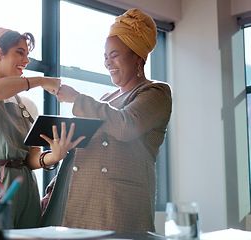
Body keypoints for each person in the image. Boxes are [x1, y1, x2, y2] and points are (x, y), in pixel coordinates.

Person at [47, 9, 173, 233]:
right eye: (105, 57)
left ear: (137, 56)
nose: (107, 63)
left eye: (114, 55)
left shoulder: (156, 92)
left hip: (116, 205)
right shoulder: (106, 99)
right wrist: (53, 191)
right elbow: (83, 146)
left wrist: (77, 98)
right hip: (80, 198)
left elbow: (125, 126)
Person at [0, 27, 84, 229]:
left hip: (26, 187)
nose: (26, 61)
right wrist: (41, 80)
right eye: (20, 52)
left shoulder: (27, 105)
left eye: (27, 54)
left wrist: (54, 156)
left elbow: (31, 159)